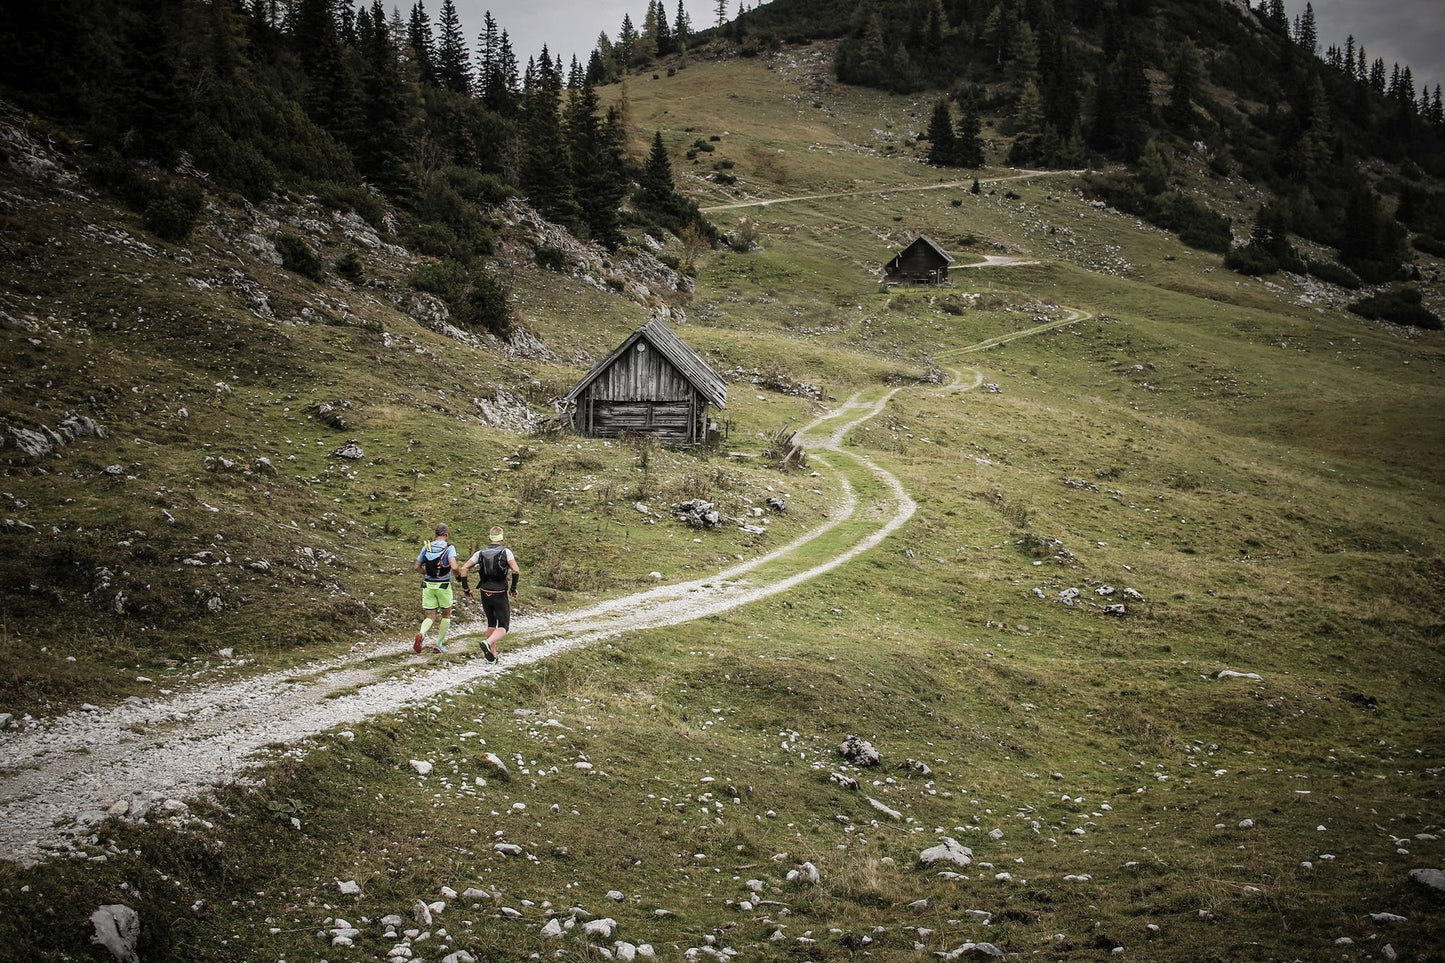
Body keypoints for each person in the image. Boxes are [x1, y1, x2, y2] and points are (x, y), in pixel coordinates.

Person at [457, 526, 519, 663]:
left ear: (490, 538)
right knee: (503, 626)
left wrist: (466, 589)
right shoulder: (506, 552)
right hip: (499, 592)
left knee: (491, 623)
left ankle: (492, 656)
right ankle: (487, 642)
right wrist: (513, 588)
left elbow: (464, 568)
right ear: (502, 538)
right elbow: (515, 570)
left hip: (485, 591)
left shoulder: (480, 553)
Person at [412, 523, 457, 654]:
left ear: (435, 534)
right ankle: (439, 644)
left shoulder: (427, 547)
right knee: (446, 615)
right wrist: (459, 575)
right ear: (446, 534)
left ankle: (421, 633)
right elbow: (454, 567)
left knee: (430, 616)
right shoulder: (449, 548)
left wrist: (425, 573)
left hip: (427, 585)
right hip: (443, 585)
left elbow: (416, 567)